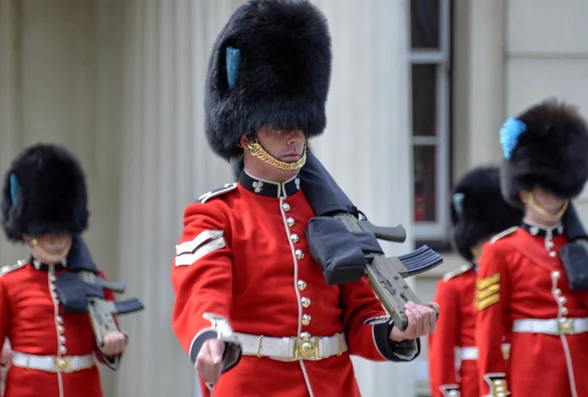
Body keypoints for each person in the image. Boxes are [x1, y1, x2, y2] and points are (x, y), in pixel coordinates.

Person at [170, 1, 438, 396]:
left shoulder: (331, 212)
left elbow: (360, 317)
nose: (295, 137)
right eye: (281, 127)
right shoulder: (216, 215)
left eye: (300, 126)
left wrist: (397, 330)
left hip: (332, 385)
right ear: (247, 135)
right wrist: (210, 335)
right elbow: (202, 289)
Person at [0, 143, 128, 397]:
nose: (56, 240)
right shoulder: (6, 283)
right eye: (47, 233)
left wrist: (110, 348)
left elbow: (105, 346)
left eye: (61, 231)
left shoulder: (94, 280)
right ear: (27, 234)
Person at [476, 99, 588, 396]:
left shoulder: (576, 248)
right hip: (533, 371)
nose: (554, 197)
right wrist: (495, 383)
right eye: (547, 189)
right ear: (525, 192)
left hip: (580, 369)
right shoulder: (501, 251)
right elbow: (490, 326)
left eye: (559, 189)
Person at [428, 167, 523, 397]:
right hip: (475, 384)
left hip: (520, 375)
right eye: (485, 240)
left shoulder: (519, 280)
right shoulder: (454, 287)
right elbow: (441, 352)